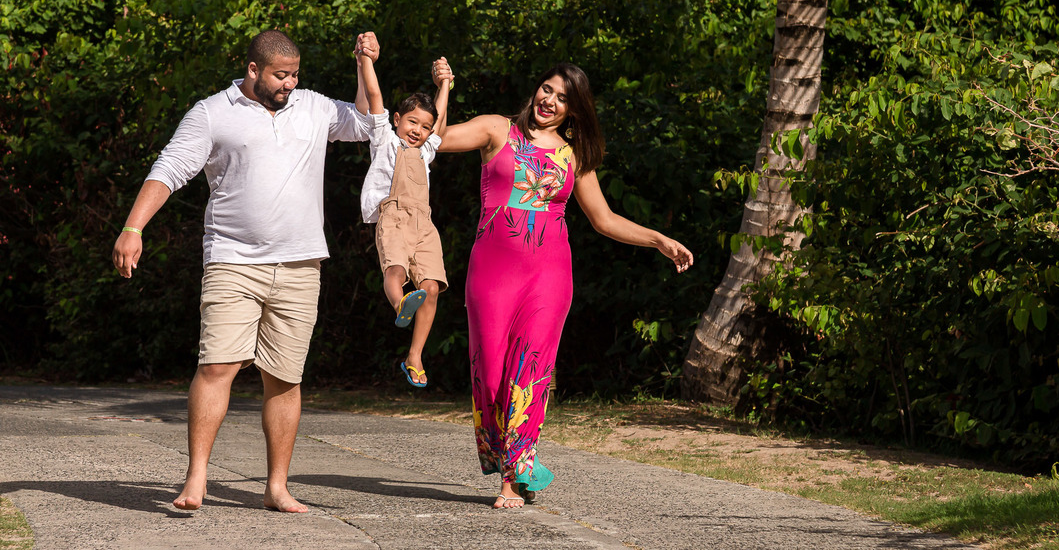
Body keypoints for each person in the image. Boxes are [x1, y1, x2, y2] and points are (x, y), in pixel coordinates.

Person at [111, 28, 379, 513]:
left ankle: (277, 487)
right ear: (253, 69)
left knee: (285, 378)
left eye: (295, 75)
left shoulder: (313, 107)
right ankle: (197, 478)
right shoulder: (213, 112)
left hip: (300, 264)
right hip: (233, 261)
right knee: (217, 366)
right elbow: (169, 168)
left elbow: (364, 123)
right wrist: (133, 227)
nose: (289, 85)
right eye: (280, 75)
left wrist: (365, 64)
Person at [437, 62, 693, 509]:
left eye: (561, 98)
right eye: (546, 89)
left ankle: (514, 479)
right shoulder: (496, 130)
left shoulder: (573, 155)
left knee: (529, 372)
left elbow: (604, 219)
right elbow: (432, 140)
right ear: (535, 90)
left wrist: (659, 240)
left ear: (573, 111)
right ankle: (513, 461)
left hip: (548, 275)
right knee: (492, 373)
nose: (549, 101)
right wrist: (442, 90)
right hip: (491, 273)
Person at [355, 45, 454, 388]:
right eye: (412, 121)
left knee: (431, 287)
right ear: (397, 120)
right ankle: (400, 306)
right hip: (393, 216)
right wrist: (367, 59)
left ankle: (415, 356)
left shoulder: (425, 152)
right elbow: (374, 93)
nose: (418, 130)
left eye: (424, 127)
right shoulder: (383, 139)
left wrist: (445, 84)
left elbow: (439, 118)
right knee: (395, 270)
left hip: (424, 225)